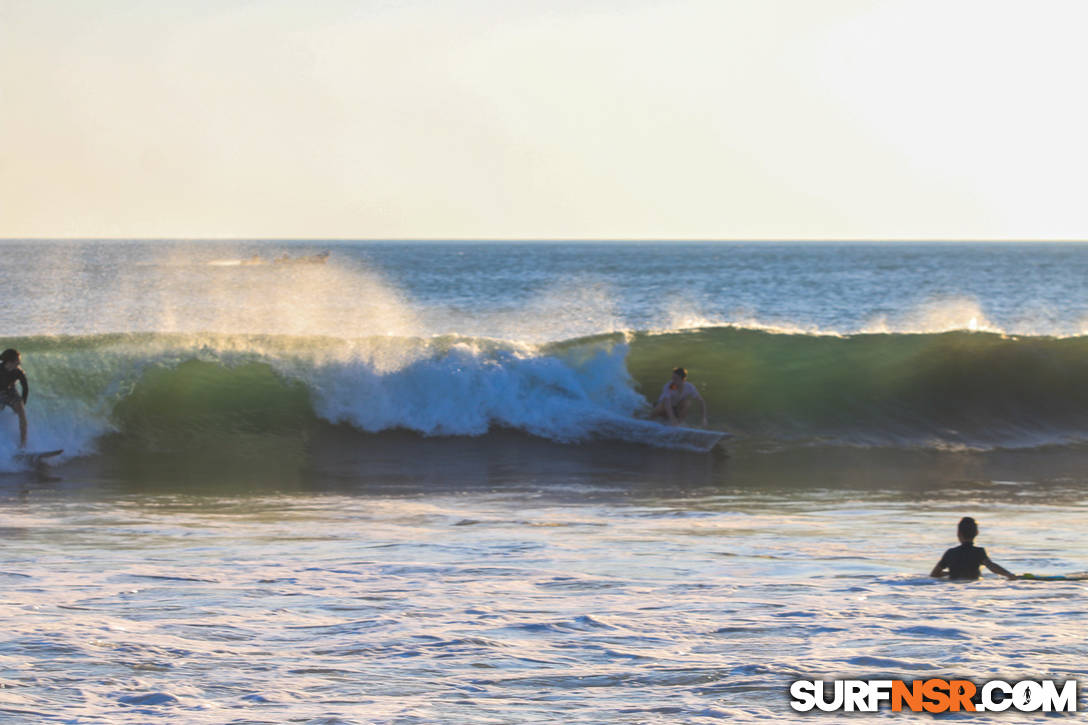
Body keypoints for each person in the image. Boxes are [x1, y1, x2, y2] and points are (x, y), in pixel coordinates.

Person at [930, 517, 1017, 580]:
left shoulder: (950, 553)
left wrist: (950, 573)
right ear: (977, 533)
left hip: (953, 589)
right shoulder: (979, 552)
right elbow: (991, 566)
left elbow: (934, 574)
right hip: (973, 588)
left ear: (958, 533)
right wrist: (1008, 574)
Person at [0, 348, 28, 448]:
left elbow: (25, 388)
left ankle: (23, 445)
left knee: (21, 413)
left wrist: (22, 404)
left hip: (11, 391)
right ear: (10, 361)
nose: (19, 362)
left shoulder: (18, 372)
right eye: (17, 360)